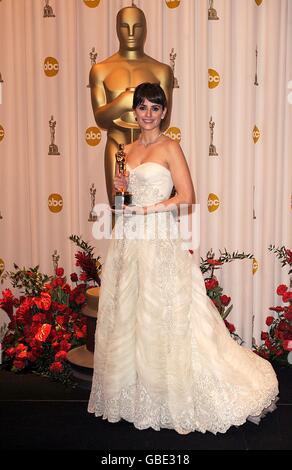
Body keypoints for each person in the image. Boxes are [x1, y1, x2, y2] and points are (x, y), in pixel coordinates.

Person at [88, 83, 278, 435]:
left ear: (163, 112)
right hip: (129, 239)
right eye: (142, 107)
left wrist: (151, 209)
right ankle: (137, 396)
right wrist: (119, 192)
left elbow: (188, 197)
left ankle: (173, 391)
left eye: (154, 108)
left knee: (165, 312)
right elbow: (120, 206)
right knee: (129, 315)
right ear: (134, 111)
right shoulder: (125, 150)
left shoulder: (170, 147)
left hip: (159, 236)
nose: (148, 114)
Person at [89, 5, 173, 203]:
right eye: (125, 26)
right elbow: (100, 119)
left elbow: (165, 120)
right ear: (117, 28)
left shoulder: (161, 70)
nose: (131, 33)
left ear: (145, 29)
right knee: (118, 206)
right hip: (116, 146)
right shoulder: (100, 70)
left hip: (152, 149)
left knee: (152, 203)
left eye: (137, 26)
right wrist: (122, 103)